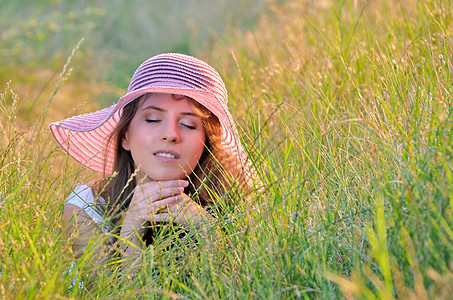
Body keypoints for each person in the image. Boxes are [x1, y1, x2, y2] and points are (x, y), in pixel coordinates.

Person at [50, 53, 258, 263]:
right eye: (153, 119)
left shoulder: (238, 207)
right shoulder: (88, 206)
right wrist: (131, 234)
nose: (170, 134)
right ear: (125, 137)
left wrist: (207, 231)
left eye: (188, 124)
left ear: (206, 145)